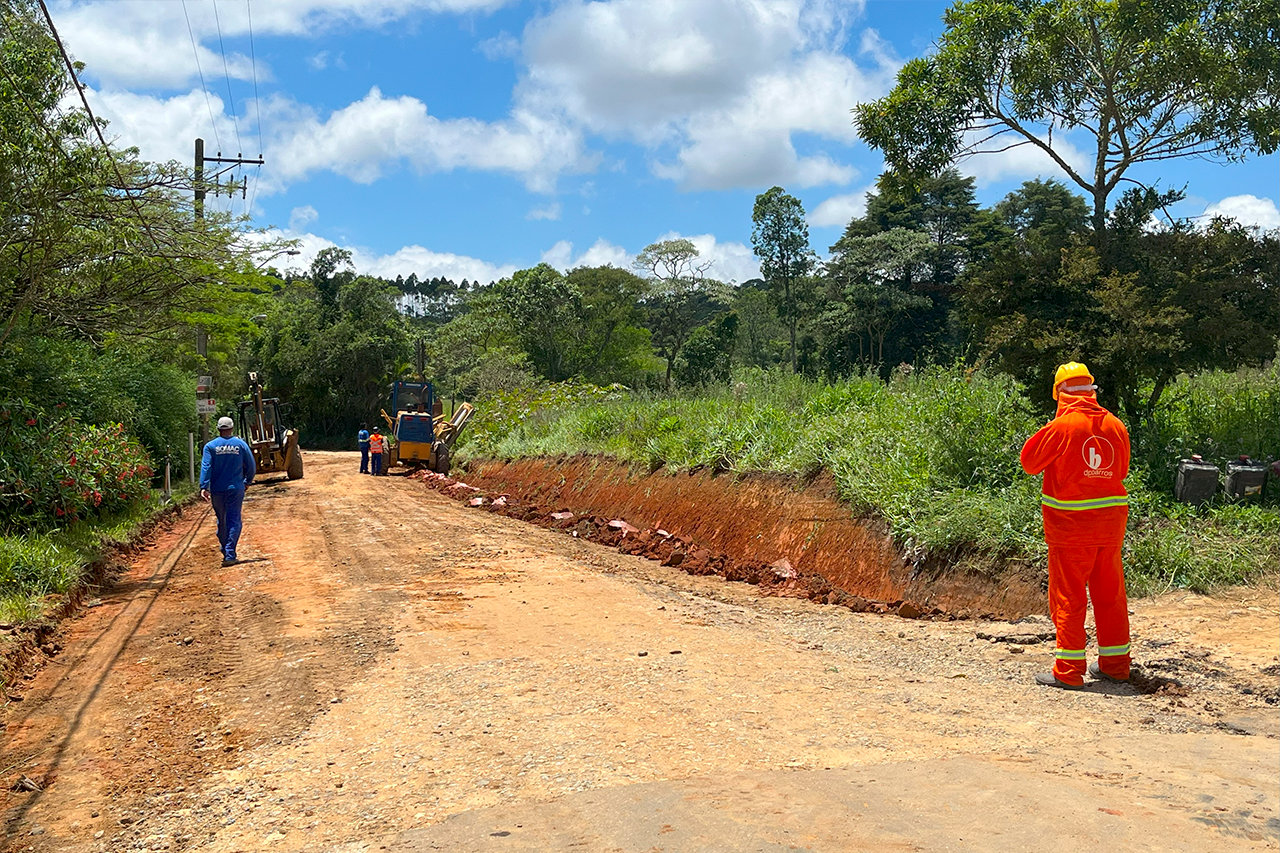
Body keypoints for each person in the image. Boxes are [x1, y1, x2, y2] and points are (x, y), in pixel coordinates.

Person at [1020, 362, 1132, 690]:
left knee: (1069, 597)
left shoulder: (1062, 427)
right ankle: (1116, 665)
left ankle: (1068, 672)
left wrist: (1053, 427)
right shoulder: (1116, 425)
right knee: (1110, 595)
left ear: (1059, 394)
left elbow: (1029, 462)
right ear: (1091, 391)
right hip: (1110, 528)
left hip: (1071, 530)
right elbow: (1120, 470)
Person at [200, 416, 256, 567]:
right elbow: (251, 465)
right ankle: (230, 554)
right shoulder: (241, 445)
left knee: (221, 520)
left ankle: (226, 549)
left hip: (217, 490)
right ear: (232, 428)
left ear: (219, 429)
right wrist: (247, 482)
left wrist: (204, 486)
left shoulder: (210, 447)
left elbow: (206, 466)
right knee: (233, 520)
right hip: (236, 489)